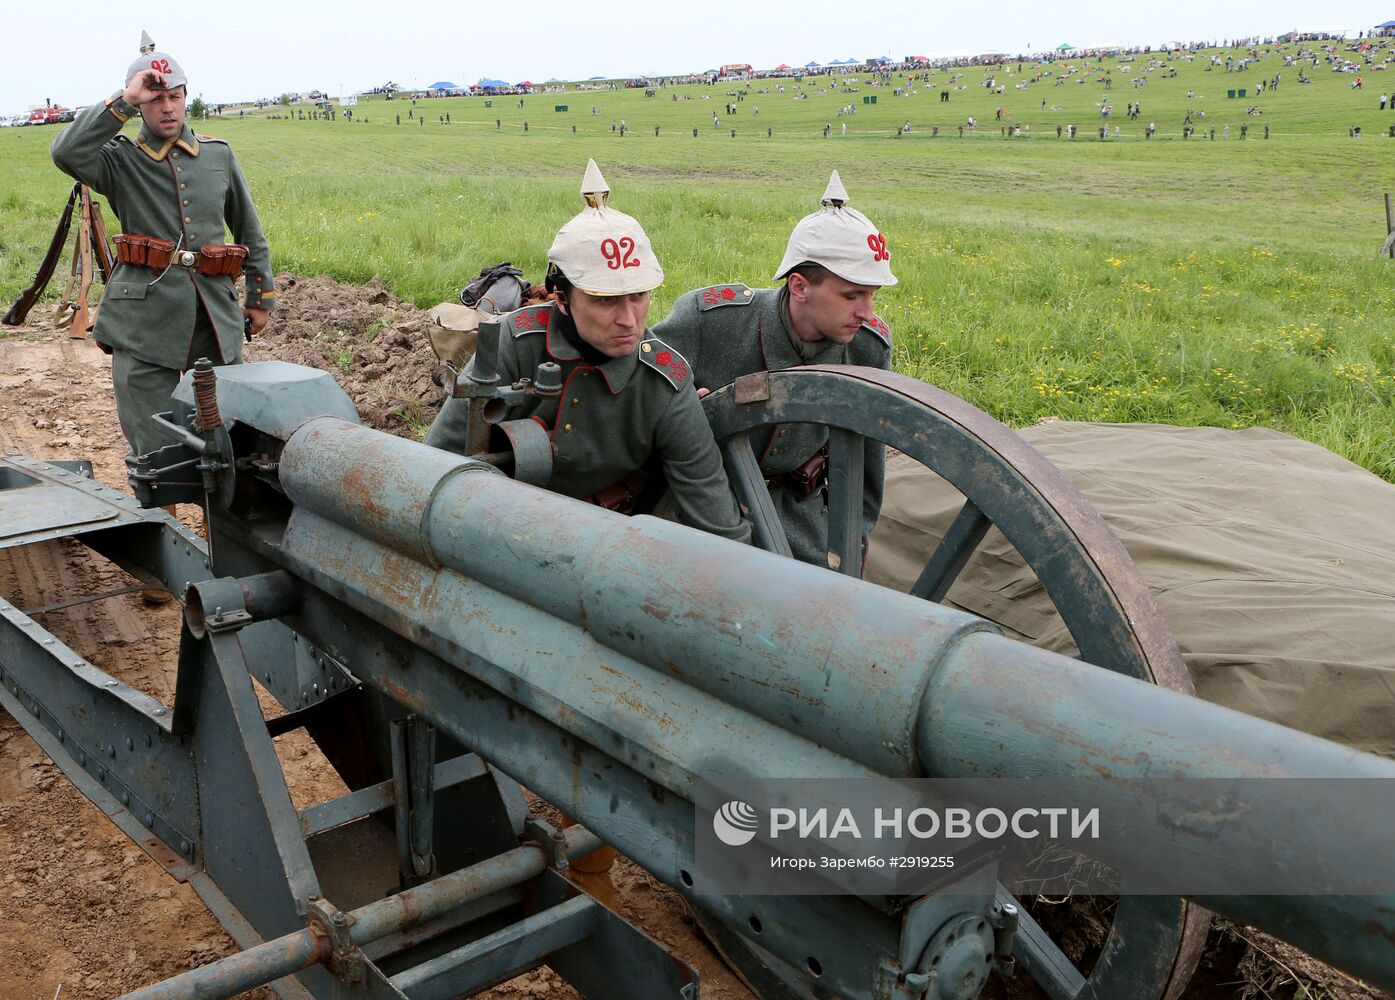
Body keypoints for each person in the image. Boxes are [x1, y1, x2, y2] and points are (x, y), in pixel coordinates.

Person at [50, 32, 275, 602]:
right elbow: (66, 154)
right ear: (141, 107)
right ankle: (160, 555)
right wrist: (120, 100)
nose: (168, 107)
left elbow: (249, 231)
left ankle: (227, 544)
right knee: (149, 440)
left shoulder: (218, 155)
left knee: (222, 434)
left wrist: (260, 297)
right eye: (154, 100)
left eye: (173, 95)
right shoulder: (119, 160)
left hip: (213, 317)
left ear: (185, 96)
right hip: (145, 319)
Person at [426, 160, 749, 544]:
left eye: (639, 296)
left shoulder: (664, 381)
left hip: (604, 547)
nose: (630, 319)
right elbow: (435, 461)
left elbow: (718, 523)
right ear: (562, 298)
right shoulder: (515, 342)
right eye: (606, 300)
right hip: (493, 529)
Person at [651, 171, 896, 571]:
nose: (867, 312)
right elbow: (643, 388)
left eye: (872, 295)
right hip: (703, 516)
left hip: (802, 523)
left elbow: (867, 469)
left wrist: (851, 544)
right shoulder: (710, 319)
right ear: (799, 286)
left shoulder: (869, 347)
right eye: (852, 295)